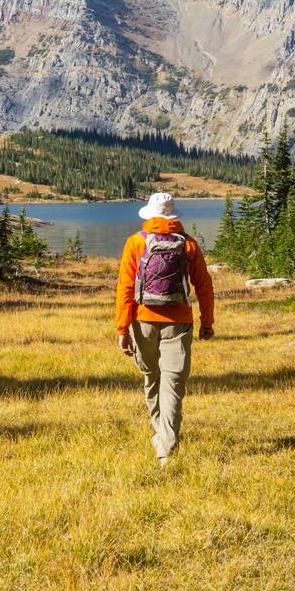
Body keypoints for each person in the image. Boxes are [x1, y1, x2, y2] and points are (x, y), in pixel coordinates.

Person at [115, 191, 215, 467]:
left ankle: (163, 439)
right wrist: (207, 322)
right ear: (173, 216)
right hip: (179, 321)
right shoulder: (189, 245)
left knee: (151, 377)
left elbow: (125, 288)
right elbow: (204, 286)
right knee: (173, 382)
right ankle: (166, 445)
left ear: (149, 215)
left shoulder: (135, 243)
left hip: (143, 320)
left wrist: (122, 328)